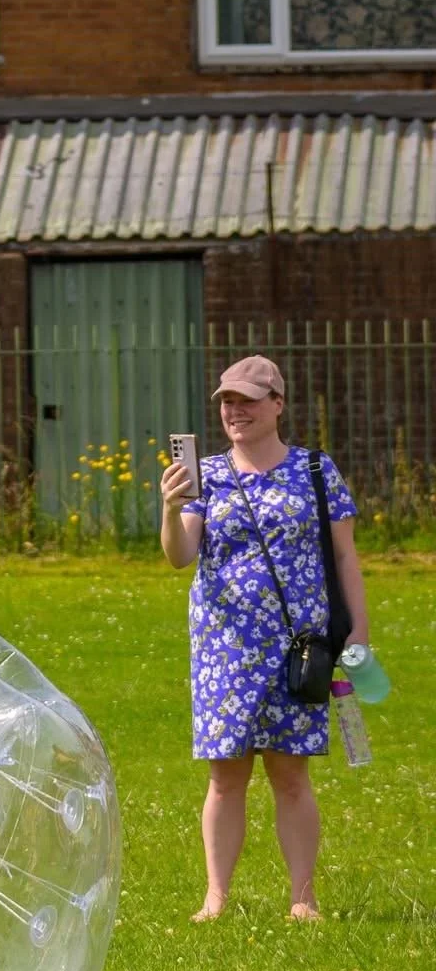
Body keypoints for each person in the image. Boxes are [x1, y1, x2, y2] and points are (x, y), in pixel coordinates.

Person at [160, 354, 369, 922]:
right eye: (227, 401)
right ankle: (216, 897)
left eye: (248, 400)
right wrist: (170, 507)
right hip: (223, 649)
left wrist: (359, 631)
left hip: (299, 647)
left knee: (291, 774)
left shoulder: (317, 471)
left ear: (278, 404)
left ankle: (303, 898)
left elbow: (345, 555)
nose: (235, 410)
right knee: (225, 778)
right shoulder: (207, 474)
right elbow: (181, 556)